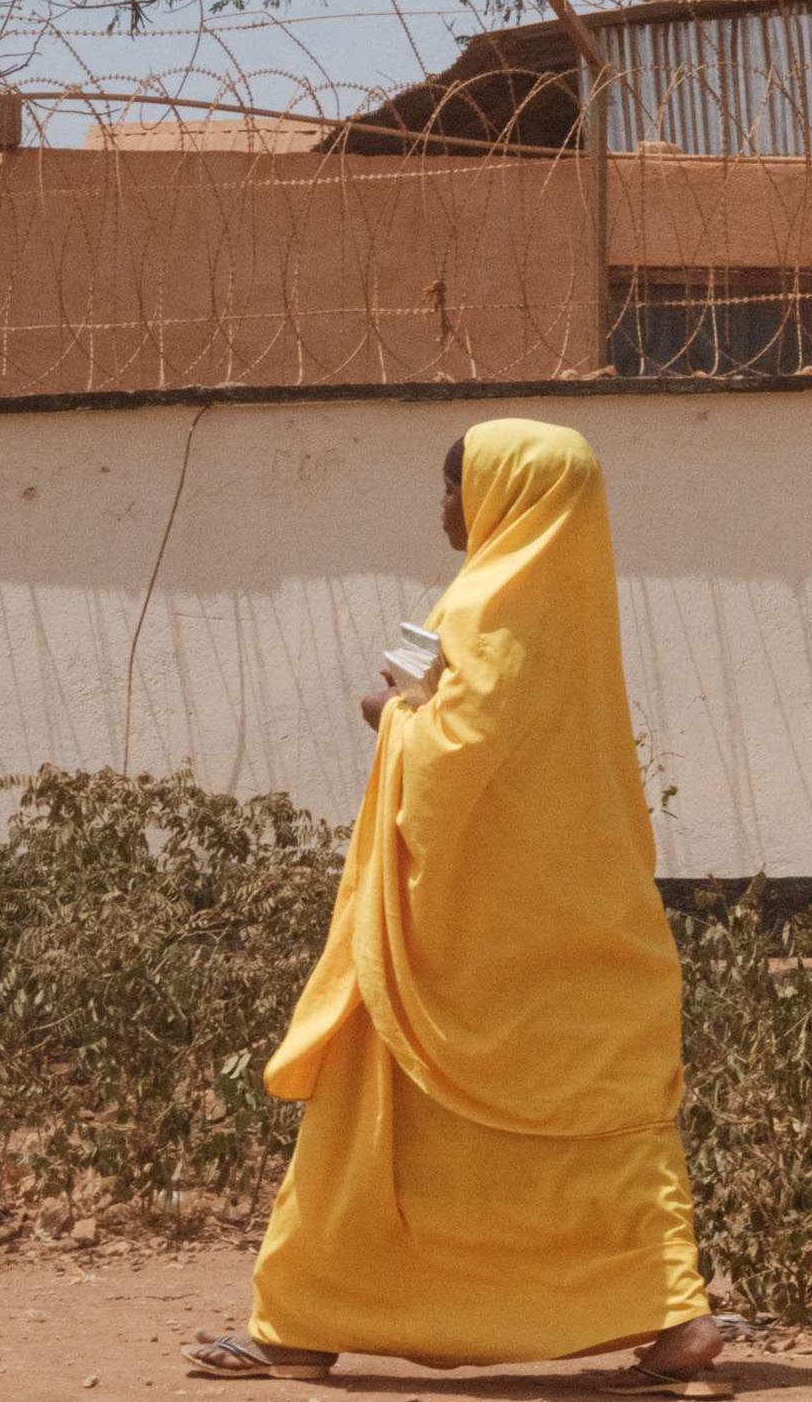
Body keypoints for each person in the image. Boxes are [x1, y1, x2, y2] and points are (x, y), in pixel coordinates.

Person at [193, 422, 733, 1385]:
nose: (443, 508)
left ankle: (301, 1324)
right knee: (600, 1123)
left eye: (454, 488)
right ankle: (672, 1320)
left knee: (375, 1116)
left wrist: (388, 714)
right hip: (581, 915)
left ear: (497, 496)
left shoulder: (489, 603)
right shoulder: (574, 601)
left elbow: (452, 758)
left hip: (461, 930)